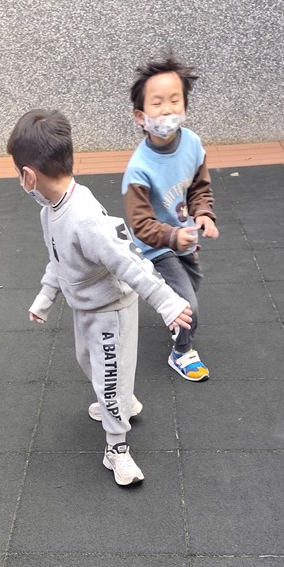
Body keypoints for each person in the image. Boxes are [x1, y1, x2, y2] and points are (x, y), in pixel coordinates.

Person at [6, 109, 193, 486]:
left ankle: (116, 448)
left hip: (111, 312)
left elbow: (129, 260)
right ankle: (124, 400)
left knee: (109, 380)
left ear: (28, 176)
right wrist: (45, 297)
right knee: (88, 362)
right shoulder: (50, 212)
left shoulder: (85, 217)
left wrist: (168, 302)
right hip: (85, 308)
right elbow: (58, 259)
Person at [122, 52, 219, 381]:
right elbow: (140, 224)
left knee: (192, 285)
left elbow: (199, 187)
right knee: (187, 306)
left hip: (185, 237)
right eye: (157, 102)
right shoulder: (139, 169)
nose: (167, 110)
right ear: (140, 115)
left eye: (174, 100)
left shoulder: (192, 144)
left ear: (185, 106)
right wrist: (172, 236)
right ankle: (182, 353)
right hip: (156, 246)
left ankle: (171, 308)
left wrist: (203, 214)